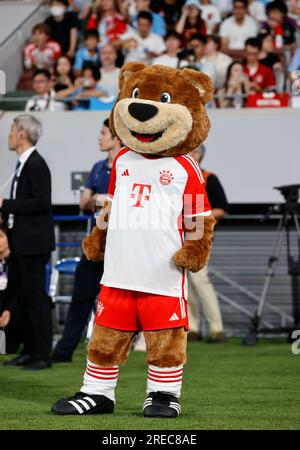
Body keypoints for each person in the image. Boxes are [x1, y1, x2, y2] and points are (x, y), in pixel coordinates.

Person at [51, 118, 121, 363]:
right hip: (96, 245)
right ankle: (64, 350)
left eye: (103, 133)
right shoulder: (98, 168)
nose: (99, 137)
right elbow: (84, 201)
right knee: (81, 296)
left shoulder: (128, 168)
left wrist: (107, 200)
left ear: (116, 138)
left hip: (121, 246)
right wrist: (100, 199)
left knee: (120, 301)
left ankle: (116, 349)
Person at [0, 114, 55, 370]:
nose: (9, 134)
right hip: (22, 242)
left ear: (22, 133)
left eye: (11, 129)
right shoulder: (24, 164)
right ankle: (29, 350)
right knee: (22, 298)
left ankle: (42, 353)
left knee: (35, 298)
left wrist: (5, 205)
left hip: (33, 244)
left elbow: (42, 203)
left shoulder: (36, 164)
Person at [188, 144, 229, 342]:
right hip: (181, 236)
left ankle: (216, 329)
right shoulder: (182, 177)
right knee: (186, 284)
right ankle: (192, 328)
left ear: (199, 155)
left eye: (193, 151)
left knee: (200, 280)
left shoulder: (209, 178)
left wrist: (198, 217)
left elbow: (222, 209)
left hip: (200, 237)